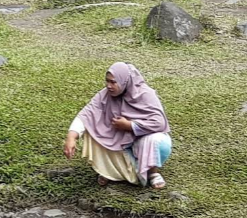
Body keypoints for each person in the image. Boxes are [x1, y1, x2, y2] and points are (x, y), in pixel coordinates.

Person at [63, 62, 172, 190]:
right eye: (107, 81)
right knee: (93, 132)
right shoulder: (105, 95)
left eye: (113, 82)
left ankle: (152, 172)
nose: (109, 86)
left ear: (124, 81)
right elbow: (86, 114)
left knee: (159, 141)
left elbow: (159, 122)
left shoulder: (145, 94)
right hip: (117, 141)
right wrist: (71, 137)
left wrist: (130, 125)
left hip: (140, 141)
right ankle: (110, 172)